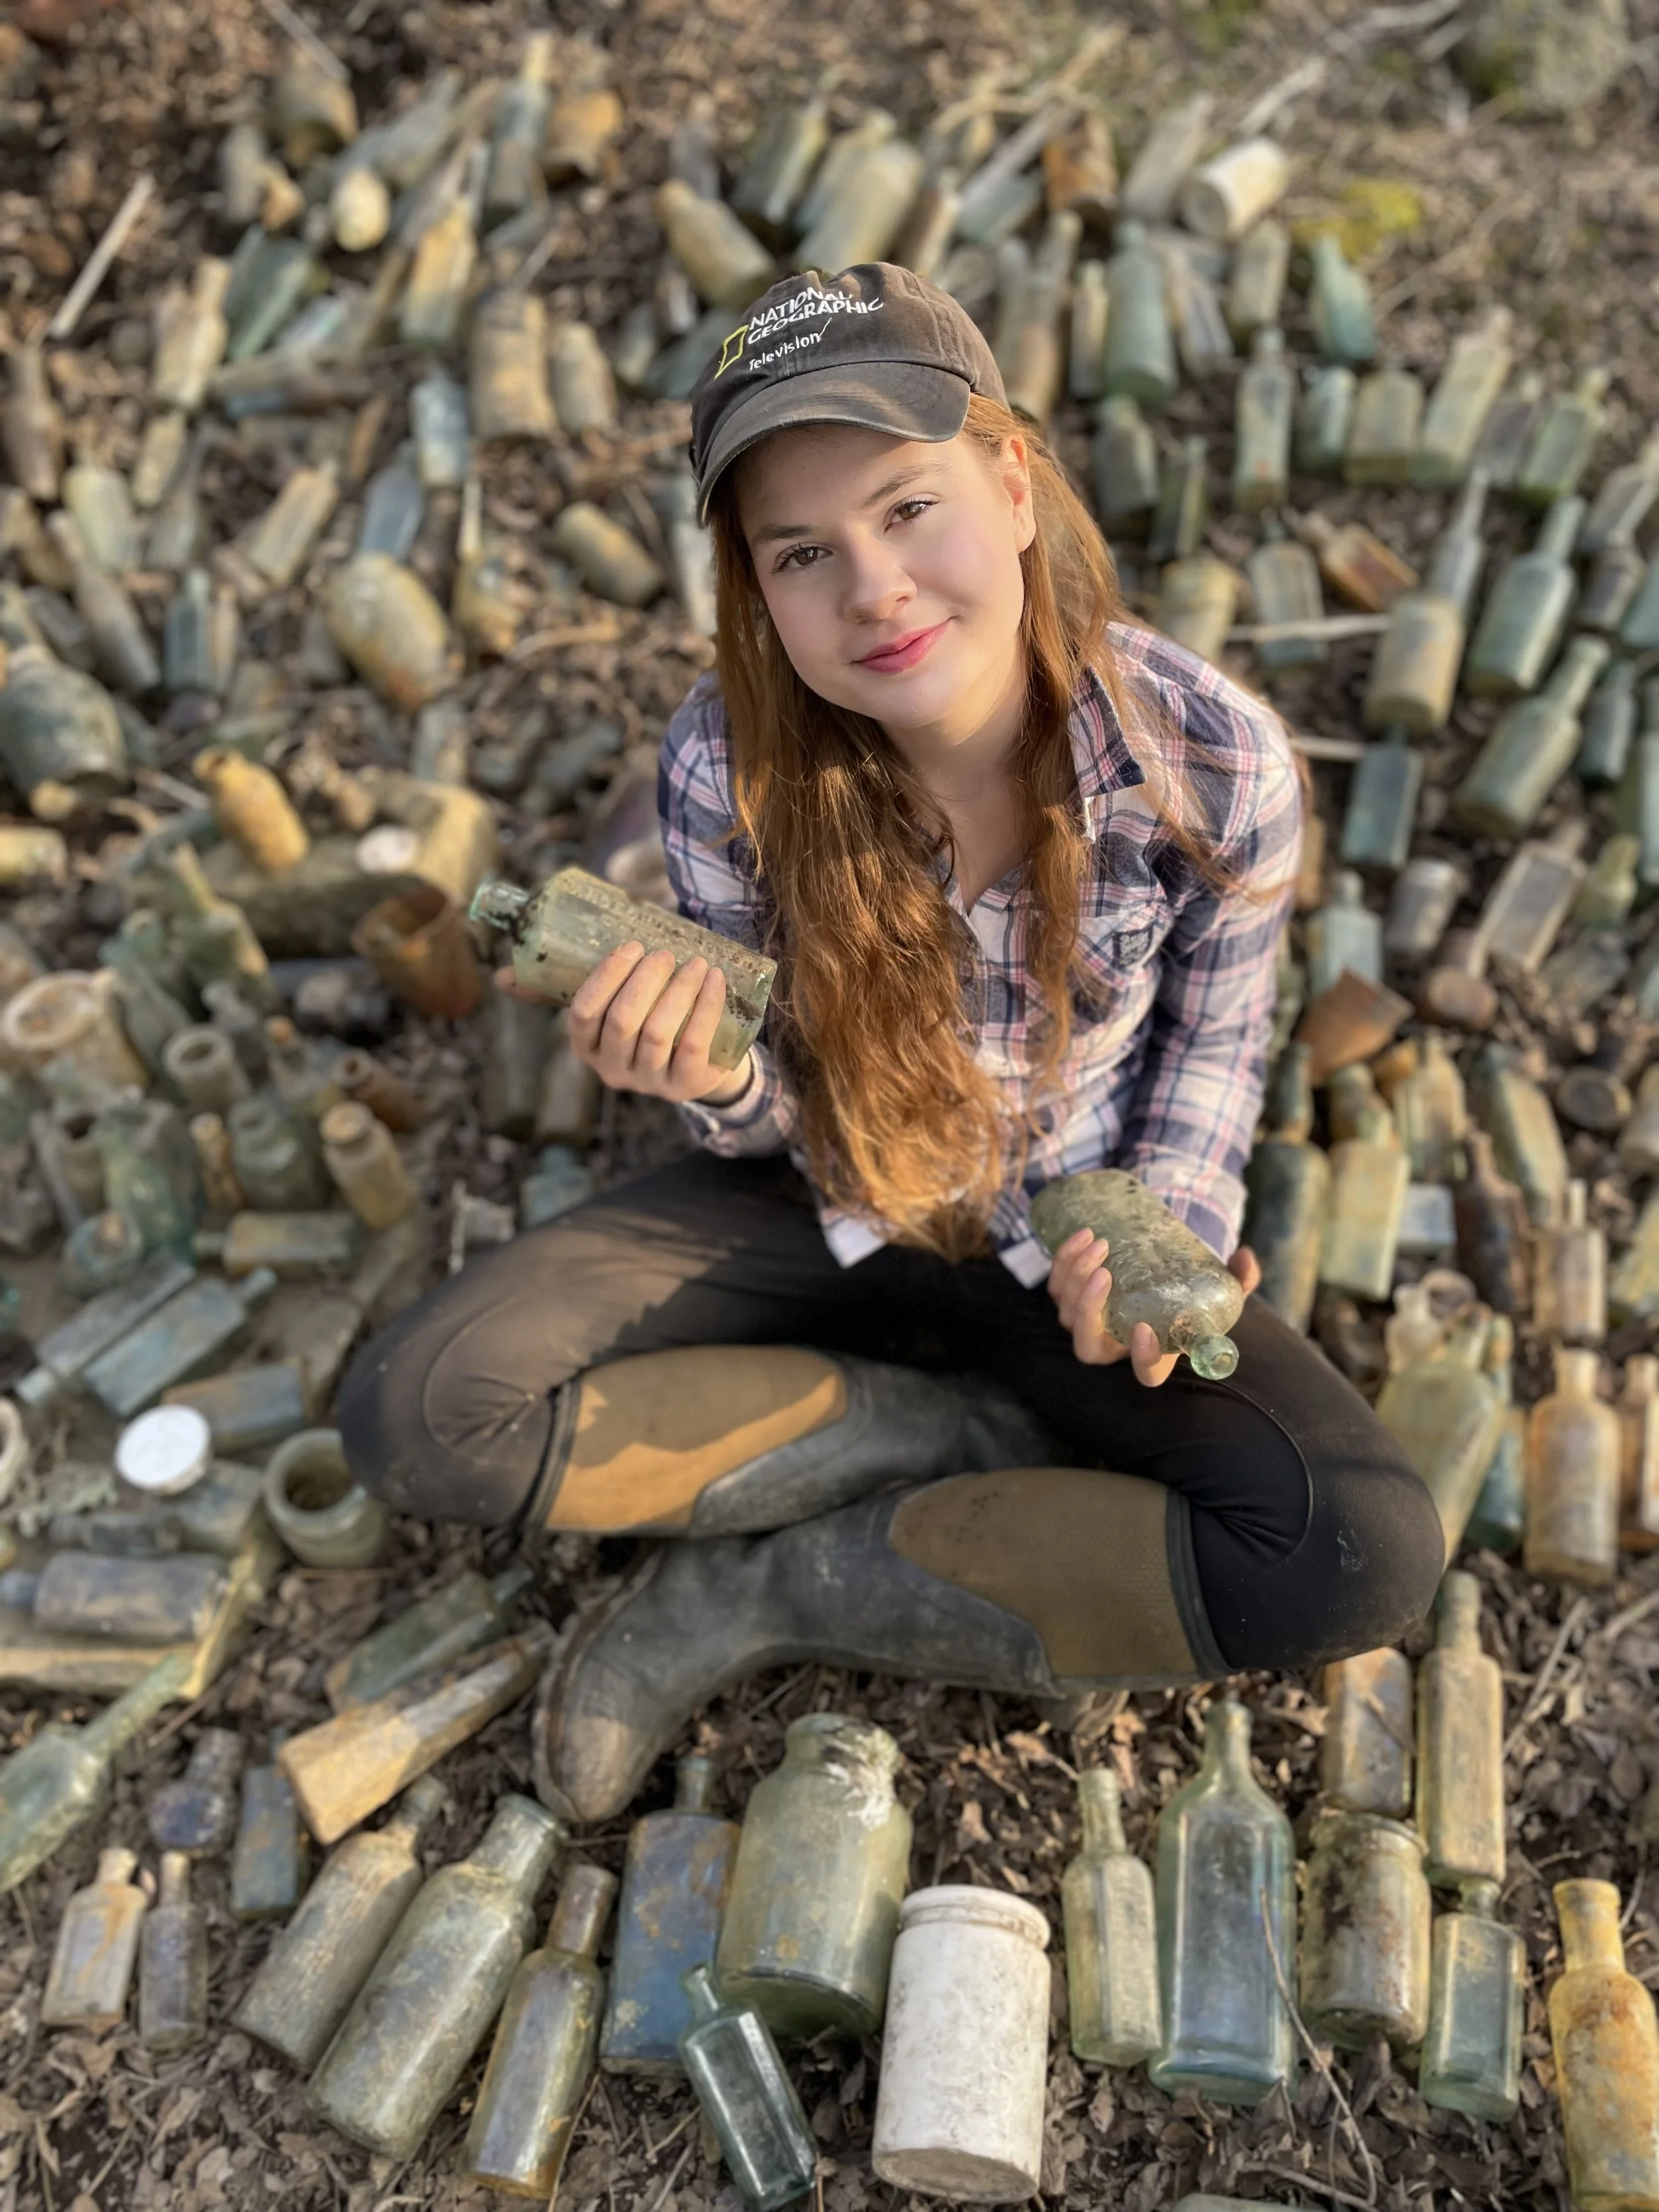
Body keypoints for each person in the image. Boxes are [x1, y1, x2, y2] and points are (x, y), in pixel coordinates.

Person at [336, 261, 1443, 1826]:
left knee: (1362, 1545)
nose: (873, 589)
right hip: (818, 1192)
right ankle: (913, 1425)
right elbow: (757, 1111)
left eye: (907, 506)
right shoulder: (727, 766)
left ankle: (766, 1589)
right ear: (755, 588)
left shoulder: (1209, 760)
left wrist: (1164, 1232)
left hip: (1055, 1221)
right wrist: (707, 1072)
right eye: (804, 551)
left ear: (1006, 482)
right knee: (415, 1410)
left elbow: (1214, 1046)